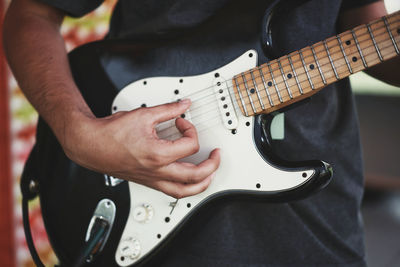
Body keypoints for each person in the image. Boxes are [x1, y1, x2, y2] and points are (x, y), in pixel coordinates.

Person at [3, 0, 400, 266]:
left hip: (314, 213)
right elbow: (31, 14)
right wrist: (79, 136)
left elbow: (361, 23)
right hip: (147, 191)